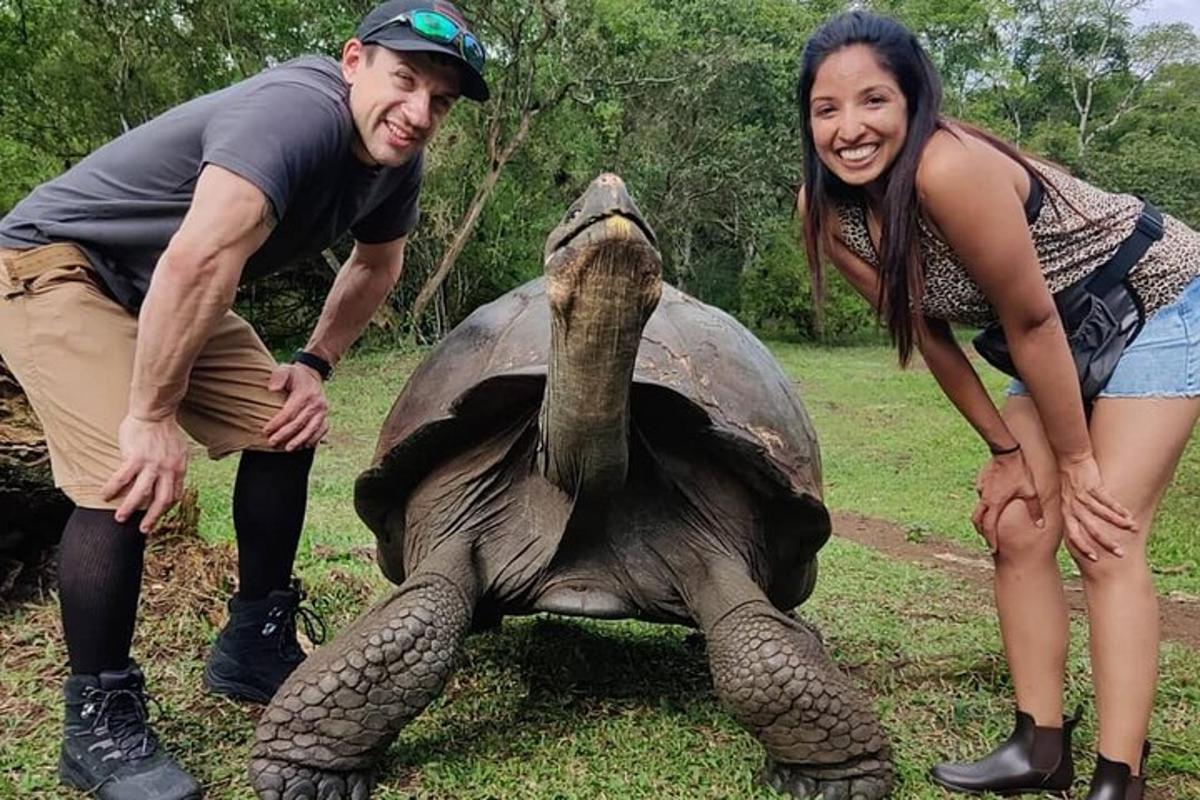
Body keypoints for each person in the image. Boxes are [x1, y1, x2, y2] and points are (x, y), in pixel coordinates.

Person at [0, 1, 487, 797]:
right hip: (60, 266)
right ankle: (96, 720)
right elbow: (198, 260)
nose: (419, 112)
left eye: (440, 100)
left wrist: (314, 363)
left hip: (163, 282)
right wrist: (151, 415)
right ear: (354, 60)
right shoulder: (294, 115)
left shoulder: (395, 162)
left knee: (282, 427)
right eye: (405, 81)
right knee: (123, 474)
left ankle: (253, 644)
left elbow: (376, 265)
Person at [796, 11, 1200, 800]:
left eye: (873, 101)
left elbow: (1031, 318)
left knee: (1103, 533)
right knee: (1018, 524)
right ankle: (1037, 745)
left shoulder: (949, 169)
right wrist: (1007, 452)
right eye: (826, 109)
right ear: (807, 118)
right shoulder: (830, 213)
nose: (850, 129)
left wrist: (1077, 462)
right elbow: (928, 333)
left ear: (913, 101)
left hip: (1153, 297)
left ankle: (1121, 778)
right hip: (1051, 335)